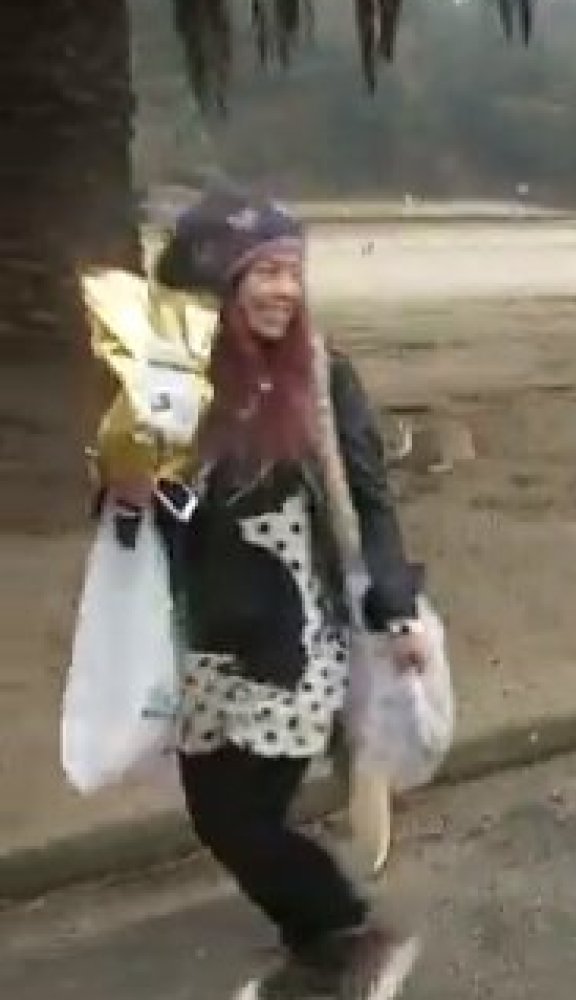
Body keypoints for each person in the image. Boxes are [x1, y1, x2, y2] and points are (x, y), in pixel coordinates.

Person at [99, 185, 430, 1000]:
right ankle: (322, 944)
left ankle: (348, 937)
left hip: (292, 642)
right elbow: (138, 508)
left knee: (241, 817)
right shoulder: (172, 376)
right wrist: (130, 467)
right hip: (205, 639)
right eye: (266, 270)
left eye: (294, 270)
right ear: (214, 278)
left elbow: (367, 497)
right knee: (222, 817)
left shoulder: (321, 376)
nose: (287, 289)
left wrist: (395, 607)